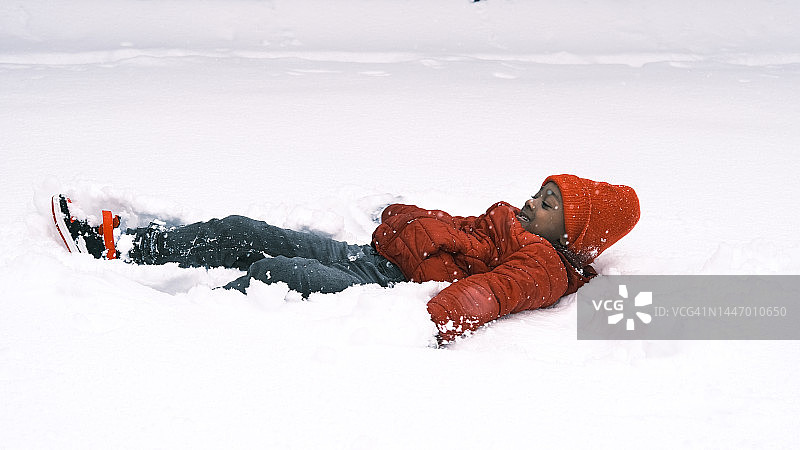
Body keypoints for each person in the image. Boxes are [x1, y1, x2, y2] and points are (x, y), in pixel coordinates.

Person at [52, 174, 640, 342]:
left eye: (550, 205)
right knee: (245, 231)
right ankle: (128, 245)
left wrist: (442, 317)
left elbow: (491, 294)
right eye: (543, 193)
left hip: (382, 284)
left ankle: (174, 329)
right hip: (372, 254)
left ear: (574, 231)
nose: (534, 203)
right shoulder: (511, 223)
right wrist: (405, 216)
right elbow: (457, 233)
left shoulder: (542, 265)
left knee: (275, 275)